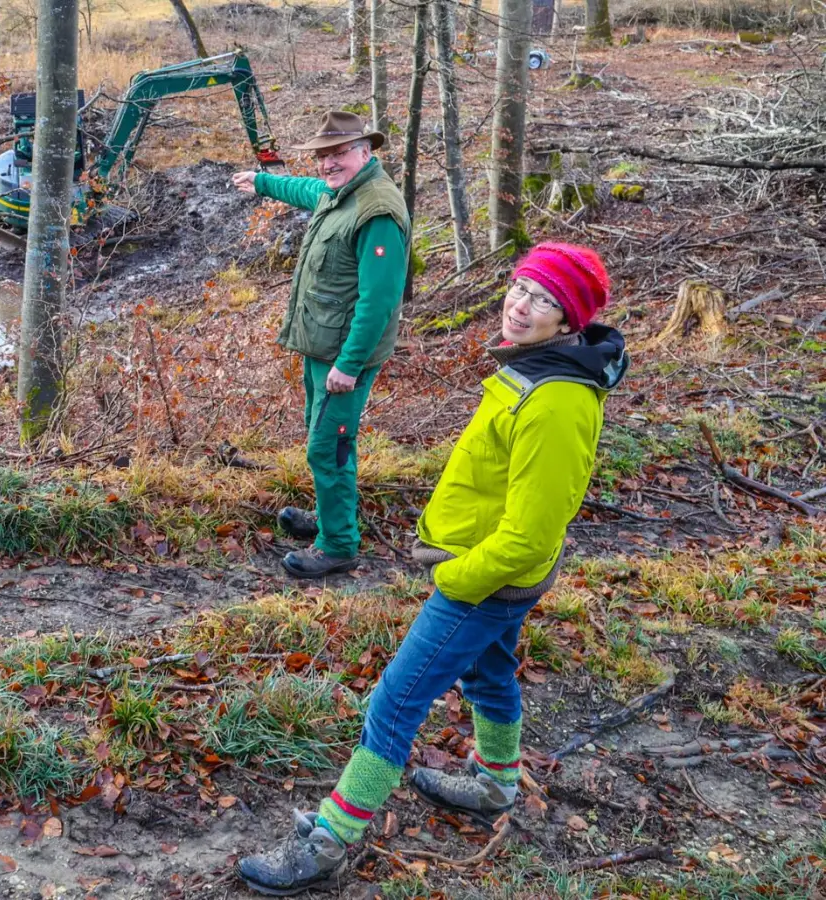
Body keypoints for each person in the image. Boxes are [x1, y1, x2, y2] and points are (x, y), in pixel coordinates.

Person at [234, 243, 628, 896]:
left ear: (569, 321)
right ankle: (497, 782)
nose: (521, 304)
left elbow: (530, 538)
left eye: (543, 300)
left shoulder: (556, 400)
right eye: (519, 287)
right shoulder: (536, 369)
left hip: (487, 581)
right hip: (489, 575)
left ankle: (331, 839)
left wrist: (456, 579)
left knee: (395, 702)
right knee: (489, 672)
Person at [231, 110, 410, 580]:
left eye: (339, 153)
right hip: (322, 346)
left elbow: (379, 301)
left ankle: (338, 546)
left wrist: (349, 365)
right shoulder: (341, 194)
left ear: (365, 152)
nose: (329, 163)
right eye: (323, 155)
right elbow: (309, 191)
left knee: (327, 448)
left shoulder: (378, 211)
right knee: (322, 435)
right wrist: (263, 182)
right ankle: (330, 518)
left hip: (343, 355)